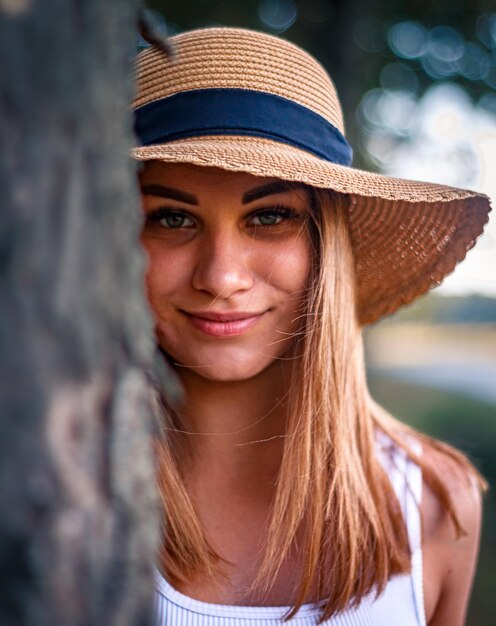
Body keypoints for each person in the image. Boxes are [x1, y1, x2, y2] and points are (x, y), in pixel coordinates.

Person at [132, 27, 491, 626]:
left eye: (269, 216)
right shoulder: (40, 483)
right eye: (171, 218)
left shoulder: (434, 501)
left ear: (327, 247)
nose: (222, 277)